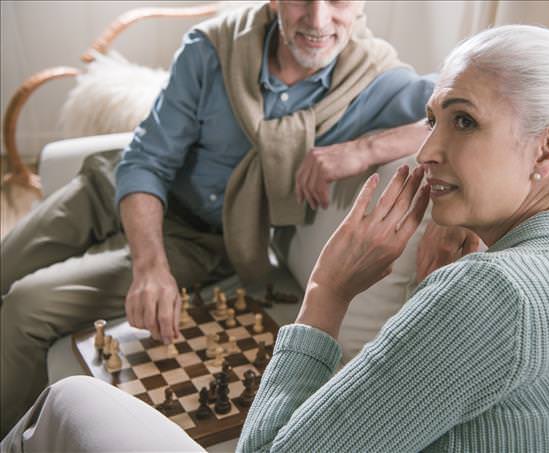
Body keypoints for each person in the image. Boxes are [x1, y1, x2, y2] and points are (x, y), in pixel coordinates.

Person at [1, 23, 549, 453]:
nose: (427, 151)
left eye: (462, 122)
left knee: (66, 399)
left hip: (207, 251)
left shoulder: (490, 291)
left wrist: (326, 290)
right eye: (434, 119)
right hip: (141, 199)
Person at [0, 0, 437, 436]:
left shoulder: (375, 79)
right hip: (111, 186)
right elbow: (147, 159)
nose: (319, 19)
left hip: (198, 238)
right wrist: (149, 267)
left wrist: (366, 148)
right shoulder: (212, 48)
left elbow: (460, 109)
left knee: (23, 307)